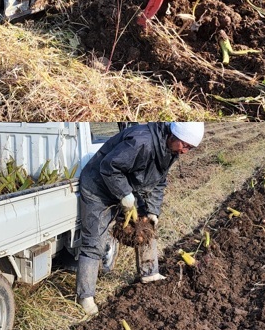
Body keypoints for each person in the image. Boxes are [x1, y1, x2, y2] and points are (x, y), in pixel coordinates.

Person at [72, 122, 203, 314]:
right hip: (98, 187)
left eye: (190, 148)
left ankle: (149, 273)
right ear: (174, 135)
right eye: (185, 145)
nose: (185, 151)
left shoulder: (170, 149)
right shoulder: (141, 142)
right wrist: (124, 194)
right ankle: (85, 296)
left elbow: (159, 182)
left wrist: (152, 211)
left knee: (146, 228)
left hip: (129, 190)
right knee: (94, 242)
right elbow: (109, 167)